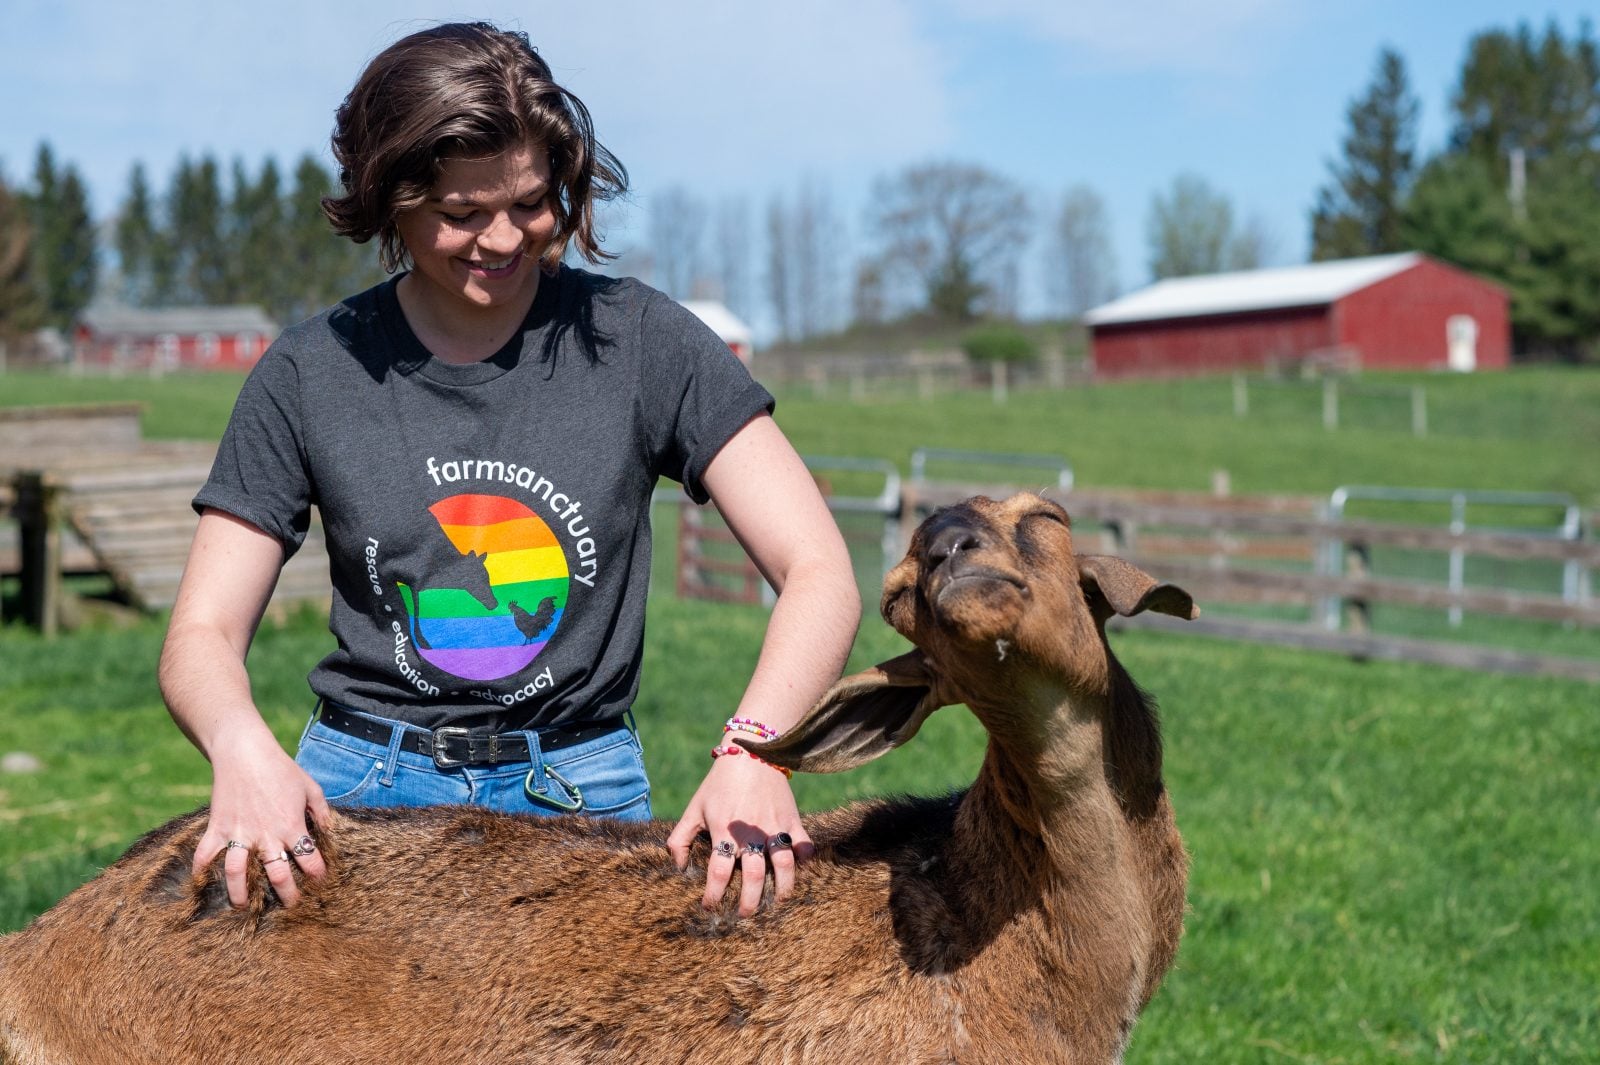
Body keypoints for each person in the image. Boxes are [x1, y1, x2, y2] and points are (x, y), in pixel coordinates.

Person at [158, 21, 860, 920]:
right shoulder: (310, 372)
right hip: (355, 798)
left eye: (532, 202)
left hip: (580, 792)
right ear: (390, 199)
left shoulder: (641, 343)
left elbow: (818, 568)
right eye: (461, 214)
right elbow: (201, 633)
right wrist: (241, 749)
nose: (505, 237)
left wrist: (754, 751)